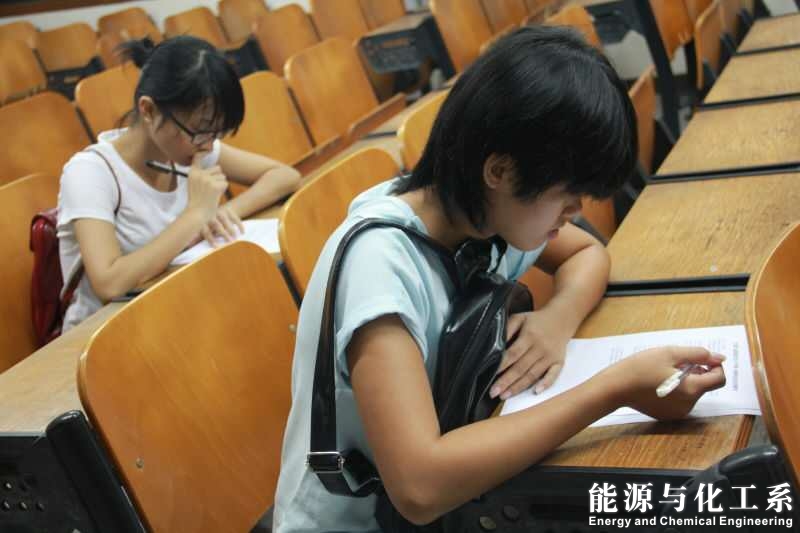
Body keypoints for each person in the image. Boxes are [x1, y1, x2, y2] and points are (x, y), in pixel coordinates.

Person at [273, 26, 726, 532]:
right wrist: (615, 389)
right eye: (567, 196)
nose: (577, 212)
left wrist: (557, 319)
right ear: (500, 171)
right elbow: (420, 486)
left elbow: (588, 255)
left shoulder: (480, 213)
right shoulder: (380, 268)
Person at [57, 36, 301, 332]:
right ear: (148, 110)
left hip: (176, 307)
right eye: (201, 132)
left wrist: (222, 213)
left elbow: (284, 176)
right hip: (107, 332)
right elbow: (109, 283)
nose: (208, 145)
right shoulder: (90, 172)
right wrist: (195, 215)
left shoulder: (189, 146)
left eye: (217, 134)